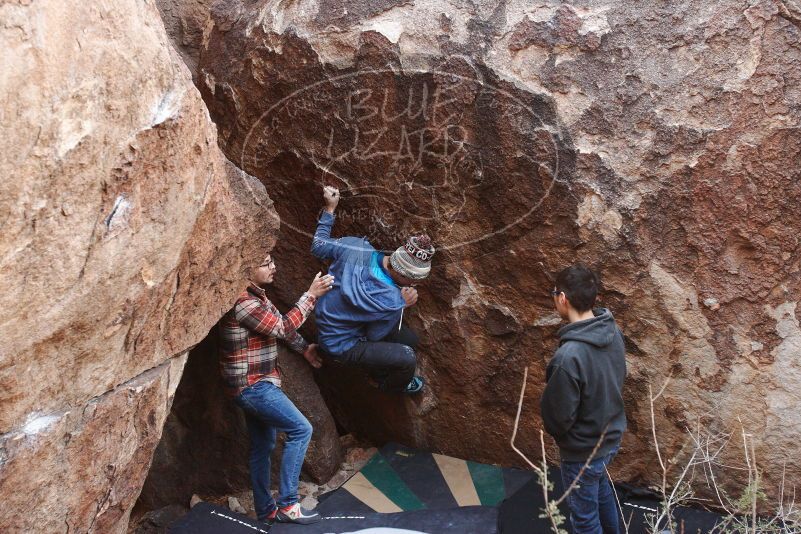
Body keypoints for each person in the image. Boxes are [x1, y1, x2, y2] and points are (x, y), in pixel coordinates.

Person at [219, 253, 334, 525]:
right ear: (248, 269)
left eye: (273, 261)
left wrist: (304, 348)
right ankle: (288, 505)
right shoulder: (244, 303)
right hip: (253, 386)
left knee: (263, 445)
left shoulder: (257, 295)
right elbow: (282, 327)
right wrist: (311, 295)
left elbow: (276, 325)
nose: (274, 267)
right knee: (301, 429)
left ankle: (266, 511)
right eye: (266, 263)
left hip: (254, 384)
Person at [310, 185, 434, 394]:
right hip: (343, 346)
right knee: (406, 357)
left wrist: (330, 209)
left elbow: (318, 245)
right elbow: (375, 335)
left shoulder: (356, 247)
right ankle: (387, 386)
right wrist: (401, 305)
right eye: (413, 280)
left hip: (326, 322)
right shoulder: (392, 300)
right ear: (402, 273)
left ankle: (376, 368)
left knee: (410, 340)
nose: (414, 285)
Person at [540, 264, 627, 534]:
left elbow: (558, 418)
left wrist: (565, 439)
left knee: (584, 519)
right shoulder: (613, 333)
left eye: (554, 294)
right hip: (609, 438)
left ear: (562, 298)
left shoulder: (568, 357)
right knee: (601, 492)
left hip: (582, 450)